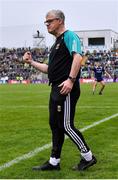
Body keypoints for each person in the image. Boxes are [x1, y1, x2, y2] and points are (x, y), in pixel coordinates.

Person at [23, 9, 97, 171]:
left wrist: (70, 80)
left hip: (66, 88)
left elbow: (78, 57)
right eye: (46, 22)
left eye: (49, 21)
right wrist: (31, 62)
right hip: (56, 87)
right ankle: (54, 162)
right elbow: (48, 69)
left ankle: (88, 157)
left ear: (60, 21)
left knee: (66, 125)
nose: (47, 24)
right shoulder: (56, 43)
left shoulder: (70, 36)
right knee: (55, 125)